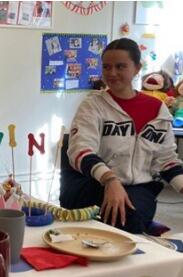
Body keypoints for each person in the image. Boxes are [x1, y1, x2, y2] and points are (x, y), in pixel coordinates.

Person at [60, 38, 183, 234]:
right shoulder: (93, 105)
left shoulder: (158, 110)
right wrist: (110, 180)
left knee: (128, 216)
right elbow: (79, 150)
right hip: (94, 183)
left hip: (139, 188)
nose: (112, 73)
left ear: (137, 68)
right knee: (122, 220)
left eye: (120, 66)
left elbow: (166, 160)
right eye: (107, 67)